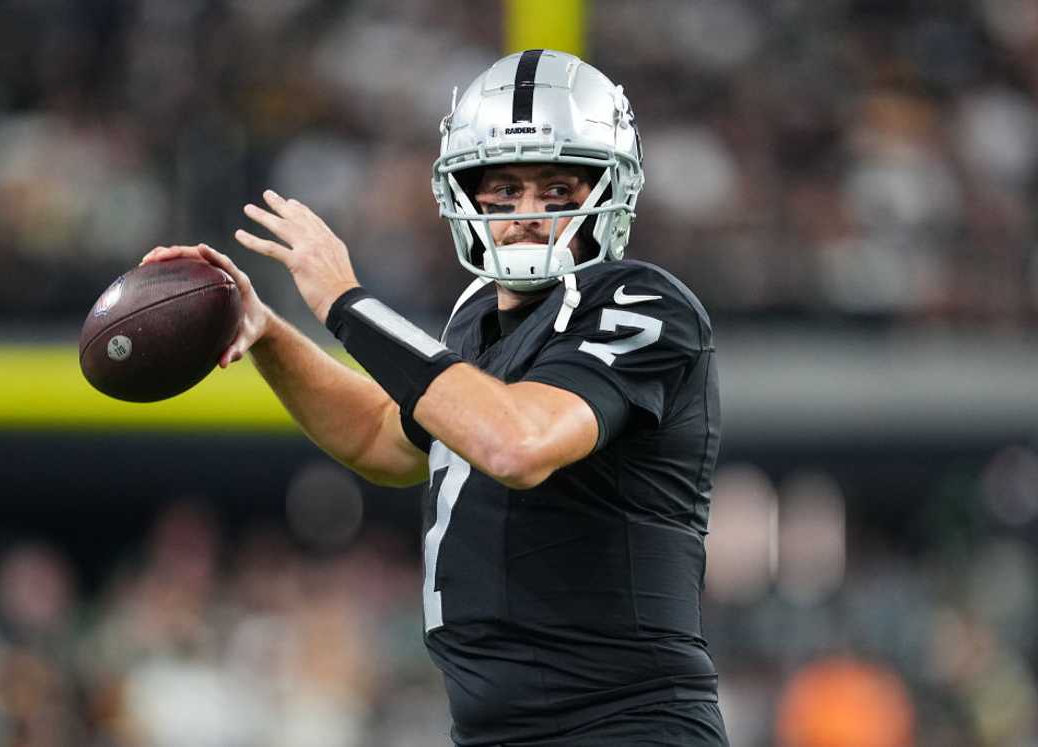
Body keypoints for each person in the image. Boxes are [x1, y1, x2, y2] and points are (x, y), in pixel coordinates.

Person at [143, 49, 727, 747]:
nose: (528, 214)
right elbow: (383, 436)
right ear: (466, 196)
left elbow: (518, 442)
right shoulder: (474, 322)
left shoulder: (641, 300)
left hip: (624, 727)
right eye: (504, 191)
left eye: (558, 191)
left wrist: (347, 304)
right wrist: (269, 333)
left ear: (610, 190)